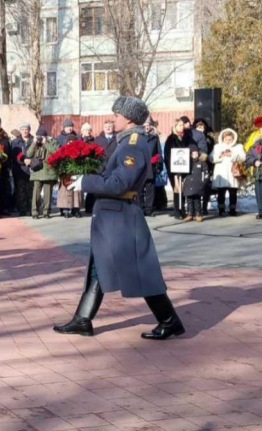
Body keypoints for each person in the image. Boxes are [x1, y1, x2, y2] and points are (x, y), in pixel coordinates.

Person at [55, 96, 184, 340]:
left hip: (121, 215)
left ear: (129, 118)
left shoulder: (133, 144)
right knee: (99, 266)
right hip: (113, 216)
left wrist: (86, 182)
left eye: (117, 115)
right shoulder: (124, 141)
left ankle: (169, 320)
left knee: (139, 271)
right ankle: (83, 319)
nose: (113, 118)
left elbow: (119, 183)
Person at [211, 128, 245, 217]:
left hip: (232, 173)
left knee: (233, 192)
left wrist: (232, 155)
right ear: (222, 139)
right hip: (221, 173)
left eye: (230, 139)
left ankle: (232, 209)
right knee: (221, 193)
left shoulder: (238, 146)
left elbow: (243, 157)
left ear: (233, 138)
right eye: (226, 139)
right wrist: (220, 155)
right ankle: (221, 209)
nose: (228, 141)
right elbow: (211, 158)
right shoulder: (217, 147)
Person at [26, 127, 58, 218]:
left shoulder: (52, 142)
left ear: (46, 136)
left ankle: (46, 212)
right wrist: (34, 143)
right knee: (36, 193)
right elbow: (28, 154)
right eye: (38, 136)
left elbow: (55, 152)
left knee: (48, 193)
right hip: (37, 171)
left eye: (42, 136)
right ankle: (34, 212)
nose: (40, 138)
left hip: (49, 171)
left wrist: (45, 143)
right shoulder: (34, 143)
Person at [164, 120, 193, 219]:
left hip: (184, 167)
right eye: (180, 125)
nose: (182, 127)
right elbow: (168, 155)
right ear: (175, 126)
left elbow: (190, 148)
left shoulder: (186, 137)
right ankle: (177, 210)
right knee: (177, 188)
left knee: (183, 188)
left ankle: (182, 210)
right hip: (174, 168)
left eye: (182, 125)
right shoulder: (171, 139)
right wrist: (172, 168)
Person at [56, 119, 82, 218]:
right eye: (67, 126)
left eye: (71, 126)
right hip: (65, 170)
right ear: (64, 127)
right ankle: (65, 209)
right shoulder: (59, 138)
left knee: (76, 190)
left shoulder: (78, 137)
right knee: (65, 190)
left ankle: (76, 209)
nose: (70, 128)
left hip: (75, 170)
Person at [11, 123, 35, 217]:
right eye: (23, 129)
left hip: (32, 169)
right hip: (20, 169)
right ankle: (22, 209)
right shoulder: (16, 142)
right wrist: (23, 160)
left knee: (31, 190)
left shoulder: (34, 140)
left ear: (29, 130)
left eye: (27, 129)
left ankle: (32, 208)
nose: (25, 131)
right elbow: (14, 154)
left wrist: (31, 161)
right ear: (20, 131)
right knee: (20, 190)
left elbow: (37, 153)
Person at [181, 144, 208, 222]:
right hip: (188, 184)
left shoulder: (202, 163)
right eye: (193, 154)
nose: (194, 155)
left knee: (197, 200)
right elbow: (183, 173)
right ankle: (189, 214)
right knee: (189, 200)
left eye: (196, 153)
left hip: (198, 185)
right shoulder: (186, 163)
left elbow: (206, 173)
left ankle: (198, 214)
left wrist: (204, 182)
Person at [142, 118, 162, 216]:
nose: (146, 127)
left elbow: (159, 152)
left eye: (148, 125)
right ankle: (140, 208)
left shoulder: (154, 137)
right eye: (145, 125)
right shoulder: (138, 136)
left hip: (151, 166)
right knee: (140, 189)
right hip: (141, 166)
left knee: (150, 188)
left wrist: (159, 164)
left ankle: (149, 209)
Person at [246, 132, 262, 219]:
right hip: (258, 172)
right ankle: (260, 211)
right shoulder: (254, 146)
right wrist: (254, 161)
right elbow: (248, 157)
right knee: (259, 193)